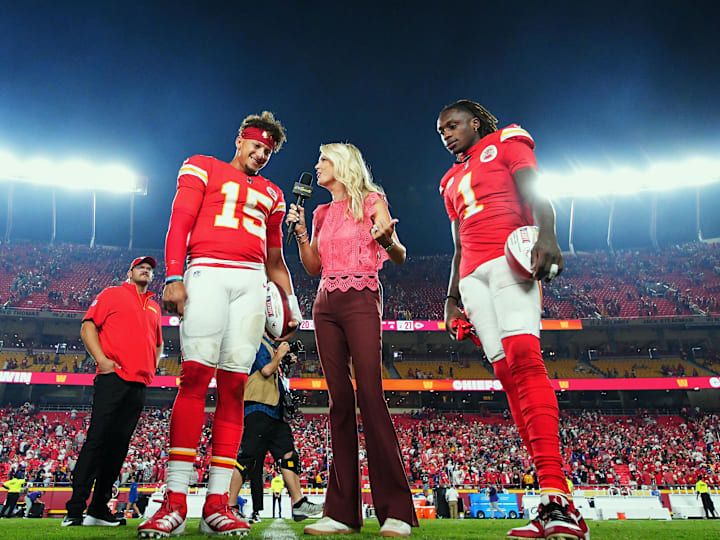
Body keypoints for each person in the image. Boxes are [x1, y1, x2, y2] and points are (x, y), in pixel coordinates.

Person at [140, 111, 302, 538]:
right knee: (194, 376)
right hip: (206, 271)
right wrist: (174, 276)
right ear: (240, 139)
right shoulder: (202, 166)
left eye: (268, 150)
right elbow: (180, 223)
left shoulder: (273, 193)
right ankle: (175, 498)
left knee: (234, 385)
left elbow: (274, 258)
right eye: (256, 145)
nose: (261, 153)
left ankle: (217, 502)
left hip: (251, 283)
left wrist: (289, 300)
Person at [436, 99, 587, 540]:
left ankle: (559, 500)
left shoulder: (507, 140)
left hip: (509, 258)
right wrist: (450, 298)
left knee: (524, 358)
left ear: (475, 122)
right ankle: (549, 501)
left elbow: (534, 190)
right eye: (440, 130)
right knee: (506, 374)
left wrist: (549, 234)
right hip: (471, 278)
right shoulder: (449, 179)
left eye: (452, 125)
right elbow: (458, 242)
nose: (446, 133)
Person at [287, 143, 417, 537]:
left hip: (361, 297)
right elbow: (313, 267)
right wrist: (300, 234)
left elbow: (399, 255)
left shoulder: (372, 200)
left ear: (342, 165)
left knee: (370, 398)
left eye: (323, 160)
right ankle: (341, 512)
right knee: (338, 403)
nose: (316, 166)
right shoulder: (321, 211)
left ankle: (395, 511)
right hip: (325, 303)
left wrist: (387, 238)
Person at [62, 256, 162, 527]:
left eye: (150, 269)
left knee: (119, 448)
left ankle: (98, 508)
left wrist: (152, 368)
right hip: (113, 378)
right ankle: (75, 509)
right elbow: (87, 326)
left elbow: (158, 344)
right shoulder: (112, 294)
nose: (146, 270)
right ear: (130, 272)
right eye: (141, 266)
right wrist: (103, 361)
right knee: (97, 441)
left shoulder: (154, 307)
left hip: (139, 384)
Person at [227, 334, 323, 522]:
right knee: (247, 459)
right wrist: (279, 355)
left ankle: (298, 503)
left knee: (288, 454)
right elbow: (265, 370)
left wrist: (285, 362)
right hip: (258, 408)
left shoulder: (270, 346)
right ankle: (229, 506)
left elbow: (275, 372)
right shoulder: (258, 343)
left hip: (274, 411)